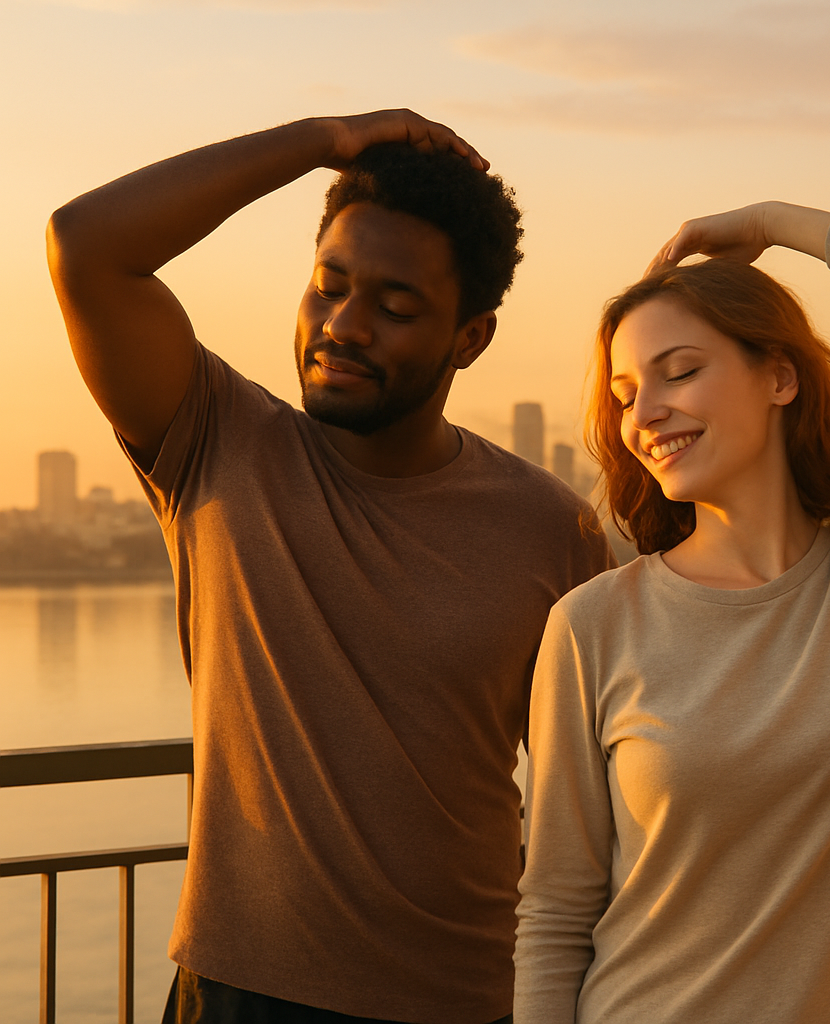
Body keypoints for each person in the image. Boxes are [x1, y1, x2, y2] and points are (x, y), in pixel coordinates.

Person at [47, 109, 615, 1024]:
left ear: (470, 338)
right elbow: (86, 246)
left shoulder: (553, 526)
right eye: (328, 287)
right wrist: (322, 141)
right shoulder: (218, 443)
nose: (344, 326)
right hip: (241, 992)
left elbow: (598, 791)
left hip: (472, 998)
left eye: (394, 308)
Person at [513, 201, 830, 1023]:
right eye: (626, 392)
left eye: (679, 372)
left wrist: (778, 225)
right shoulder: (591, 626)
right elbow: (556, 918)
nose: (644, 414)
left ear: (779, 376)